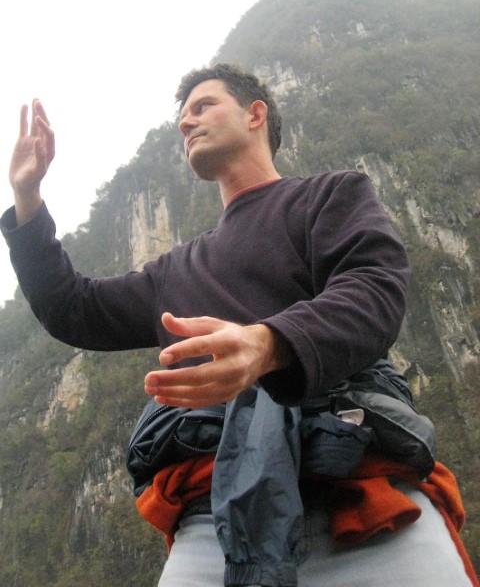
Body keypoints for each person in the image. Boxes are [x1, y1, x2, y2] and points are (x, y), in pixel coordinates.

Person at [1, 64, 475, 587]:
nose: (187, 122)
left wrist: (268, 344)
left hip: (369, 499)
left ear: (255, 115)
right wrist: (28, 197)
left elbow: (375, 287)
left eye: (203, 106)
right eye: (182, 116)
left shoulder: (331, 196)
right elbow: (73, 309)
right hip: (214, 528)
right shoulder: (176, 270)